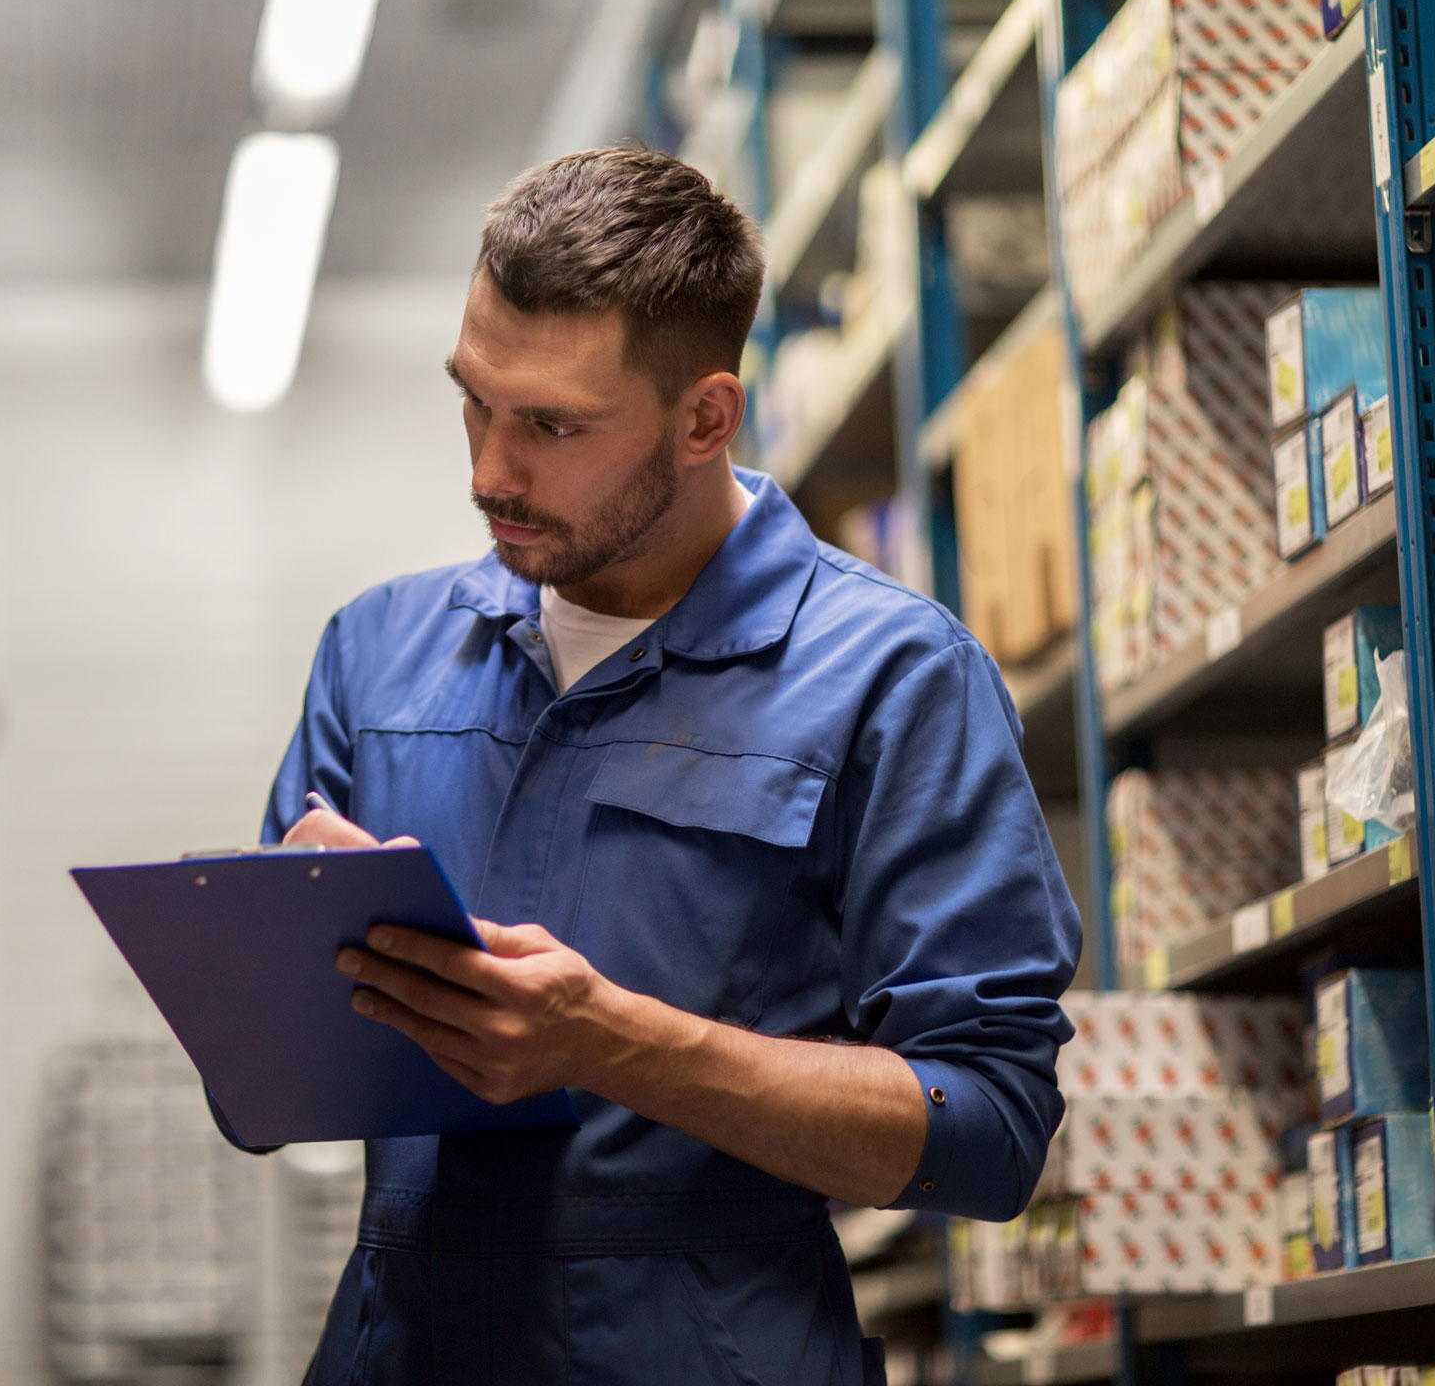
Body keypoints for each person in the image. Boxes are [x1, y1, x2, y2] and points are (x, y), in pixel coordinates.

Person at [253, 147, 1079, 1385]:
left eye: (553, 426)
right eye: (473, 398)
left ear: (705, 418)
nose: (489, 469)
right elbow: (260, 1082)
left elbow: (991, 1136)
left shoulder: (891, 678)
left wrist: (613, 1045)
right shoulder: (376, 657)